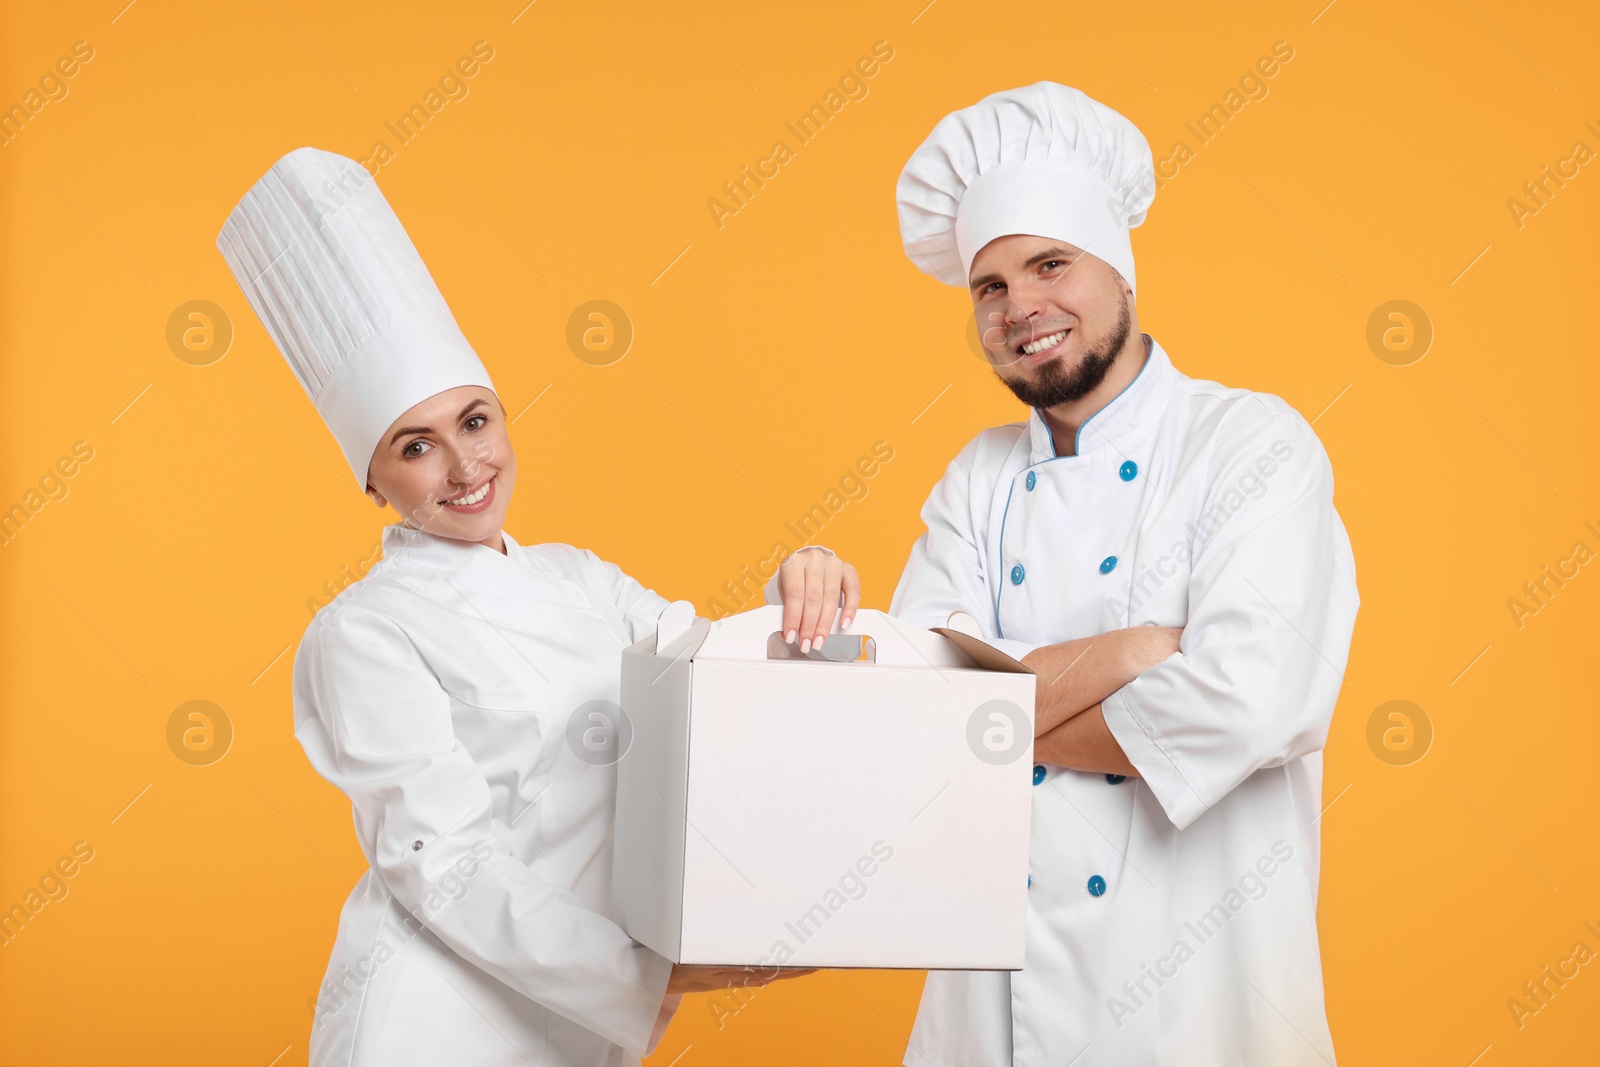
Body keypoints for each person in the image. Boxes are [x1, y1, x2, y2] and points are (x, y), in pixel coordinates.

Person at [216, 148, 850, 1065]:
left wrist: (807, 581)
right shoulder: (361, 631)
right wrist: (658, 972)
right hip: (433, 1023)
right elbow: (438, 862)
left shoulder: (578, 578)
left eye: (476, 421)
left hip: (577, 1025)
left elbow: (724, 684)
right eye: (416, 446)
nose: (466, 467)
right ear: (372, 479)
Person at [888, 83, 1360, 1065]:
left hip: (1203, 1008)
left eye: (1049, 263)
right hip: (991, 1019)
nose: (1022, 307)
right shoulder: (974, 478)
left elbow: (1248, 703)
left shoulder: (1250, 445)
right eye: (991, 285)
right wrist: (1132, 654)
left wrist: (990, 714)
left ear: (1119, 267)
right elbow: (908, 718)